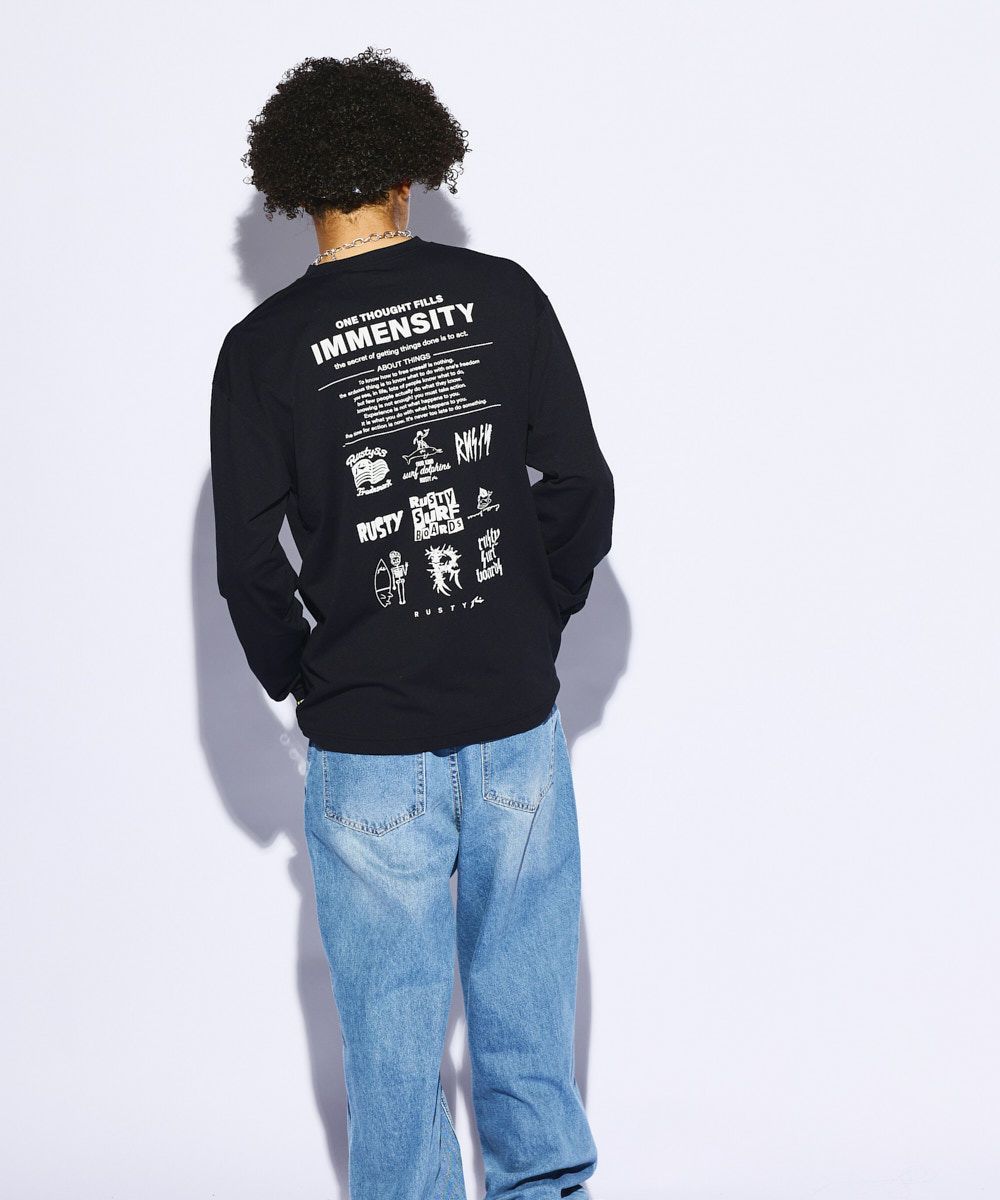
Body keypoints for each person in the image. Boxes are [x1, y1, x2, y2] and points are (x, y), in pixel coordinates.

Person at [210, 46, 615, 1200]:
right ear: (410, 169)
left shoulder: (262, 351)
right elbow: (579, 489)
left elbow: (247, 567)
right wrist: (530, 619)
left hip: (367, 741)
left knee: (391, 1046)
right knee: (527, 1012)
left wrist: (309, 678)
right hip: (513, 720)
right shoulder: (503, 298)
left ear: (296, 185)